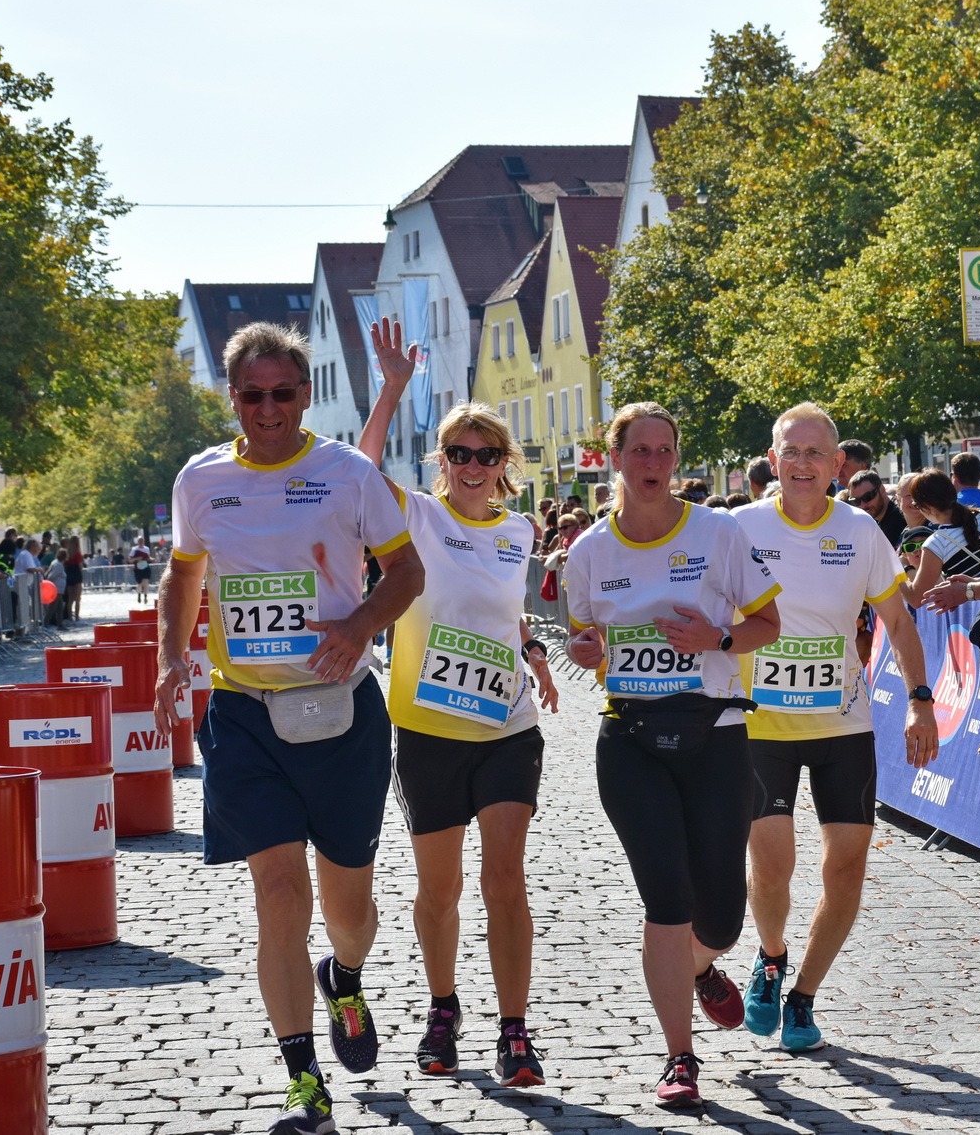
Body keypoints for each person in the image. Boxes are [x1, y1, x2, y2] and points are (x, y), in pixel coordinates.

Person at [152, 321, 425, 1135]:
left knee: (349, 904)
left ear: (304, 394)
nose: (266, 408)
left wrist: (361, 625)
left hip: (341, 714)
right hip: (244, 715)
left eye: (282, 392)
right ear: (230, 398)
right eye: (250, 394)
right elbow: (183, 569)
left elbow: (406, 569)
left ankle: (343, 975)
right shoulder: (201, 480)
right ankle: (304, 1080)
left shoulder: (347, 473)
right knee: (277, 893)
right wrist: (173, 655)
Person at [563, 401, 783, 1109]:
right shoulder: (588, 551)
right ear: (616, 458)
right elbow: (582, 641)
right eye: (641, 450)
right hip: (629, 740)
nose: (654, 464)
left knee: (720, 917)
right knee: (667, 898)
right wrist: (585, 650)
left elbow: (767, 625)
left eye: (665, 451)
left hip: (714, 736)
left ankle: (699, 966)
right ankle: (678, 1057)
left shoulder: (718, 534)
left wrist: (716, 641)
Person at [358, 319, 560, 1086]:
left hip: (507, 725)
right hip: (428, 728)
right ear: (442, 461)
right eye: (459, 453)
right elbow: (359, 467)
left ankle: (515, 1029)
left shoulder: (520, 529)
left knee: (504, 877)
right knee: (438, 889)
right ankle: (444, 1006)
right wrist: (391, 388)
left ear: (503, 463)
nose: (472, 466)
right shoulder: (416, 515)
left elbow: (500, 608)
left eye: (486, 454)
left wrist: (532, 651)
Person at [731, 404, 938, 1053]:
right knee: (772, 864)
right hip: (760, 722)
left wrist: (920, 699)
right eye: (789, 451)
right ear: (772, 460)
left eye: (814, 453)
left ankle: (804, 996)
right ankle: (770, 956)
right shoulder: (738, 529)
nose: (800, 463)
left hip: (842, 724)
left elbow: (899, 623)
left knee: (845, 868)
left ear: (837, 465)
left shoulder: (861, 533)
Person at [902, 468, 980, 611]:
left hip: (979, 618)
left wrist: (900, 568)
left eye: (917, 506)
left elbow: (917, 598)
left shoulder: (936, 545)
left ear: (927, 507)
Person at [846, 469, 907, 546]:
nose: (862, 505)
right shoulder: (874, 520)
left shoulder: (898, 517)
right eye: (856, 501)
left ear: (882, 490)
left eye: (867, 497)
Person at [63, 535, 84, 622]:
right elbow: (80, 566)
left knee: (70, 598)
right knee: (77, 597)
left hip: (68, 575)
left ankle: (70, 617)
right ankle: (77, 616)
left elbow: (64, 564)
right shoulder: (77, 553)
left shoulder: (67, 553)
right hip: (76, 574)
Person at [131, 540, 153, 605]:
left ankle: (145, 597)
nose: (141, 542)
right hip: (138, 568)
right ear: (138, 542)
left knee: (146, 582)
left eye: (142, 541)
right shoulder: (134, 549)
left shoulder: (147, 549)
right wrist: (137, 558)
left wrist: (152, 559)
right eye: (139, 541)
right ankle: (139, 594)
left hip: (146, 567)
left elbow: (148, 557)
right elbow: (130, 560)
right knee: (140, 583)